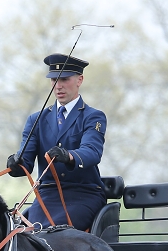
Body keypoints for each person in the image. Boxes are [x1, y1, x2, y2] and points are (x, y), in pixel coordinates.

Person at [6, 53, 107, 232]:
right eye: (54, 80)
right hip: (47, 195)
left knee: (57, 232)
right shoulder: (36, 119)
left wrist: (68, 156)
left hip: (83, 194)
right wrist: (16, 163)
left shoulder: (93, 116)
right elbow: (25, 162)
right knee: (24, 235)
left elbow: (92, 151)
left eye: (65, 79)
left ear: (79, 80)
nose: (58, 86)